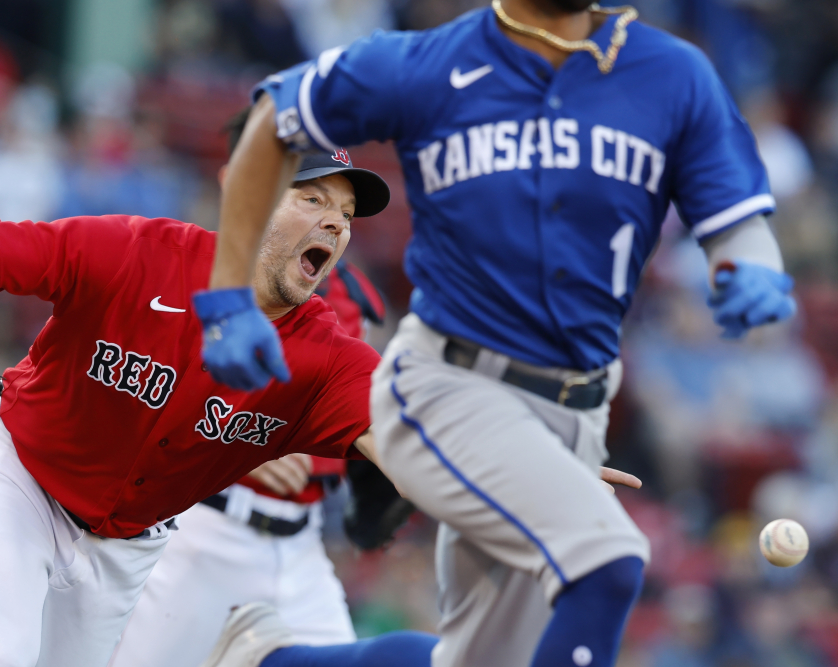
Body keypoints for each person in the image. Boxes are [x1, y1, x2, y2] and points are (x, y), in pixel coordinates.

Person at [193, 1, 798, 666]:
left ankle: (269, 660)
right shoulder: (426, 62)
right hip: (450, 382)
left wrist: (750, 265)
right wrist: (227, 295)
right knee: (608, 559)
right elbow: (273, 118)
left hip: (577, 405)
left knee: (479, 660)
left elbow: (733, 213)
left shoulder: (674, 72)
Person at [0, 140, 393, 667]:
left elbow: (421, 442)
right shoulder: (138, 251)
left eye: (347, 214)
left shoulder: (328, 358)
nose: (337, 224)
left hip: (125, 543)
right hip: (17, 474)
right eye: (313, 199)